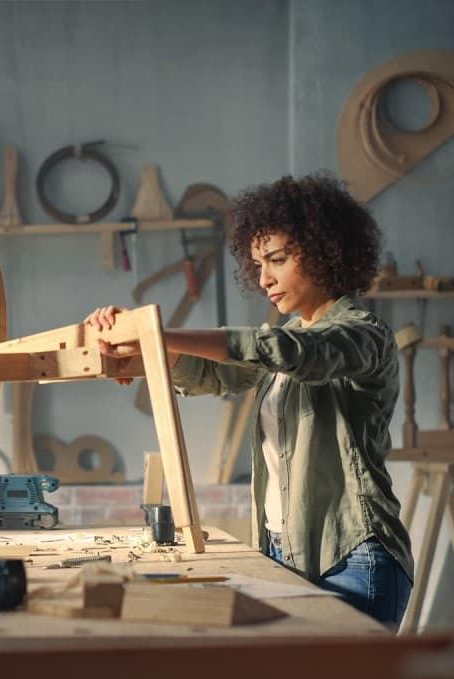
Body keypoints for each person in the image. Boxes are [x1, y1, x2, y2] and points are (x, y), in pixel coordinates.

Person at [85, 173, 413, 626]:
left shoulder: (362, 335)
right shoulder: (291, 337)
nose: (264, 279)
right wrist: (138, 352)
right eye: (257, 265)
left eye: (276, 260)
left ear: (325, 251)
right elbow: (211, 373)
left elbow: (297, 354)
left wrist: (157, 334)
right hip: (286, 554)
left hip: (353, 557)